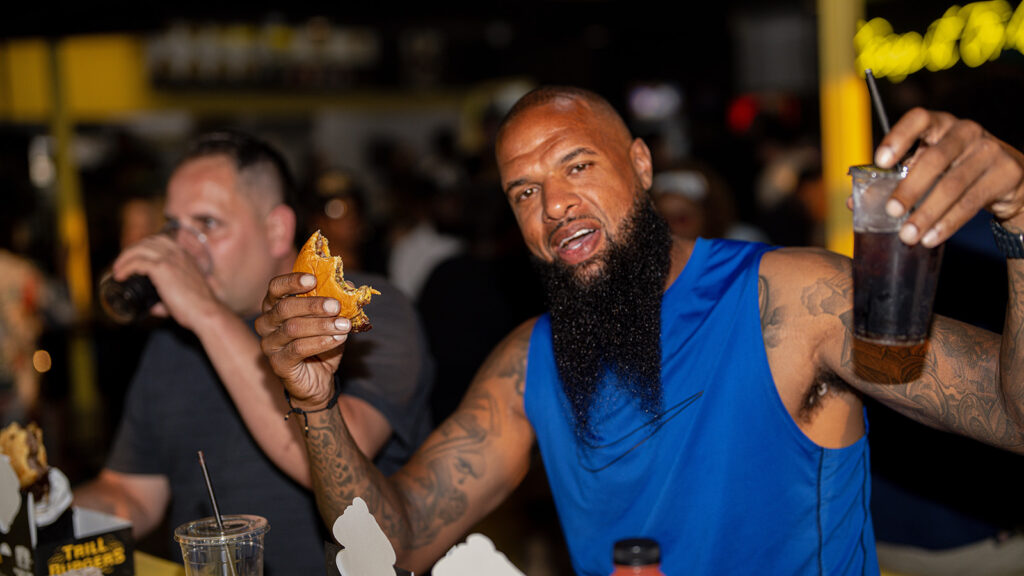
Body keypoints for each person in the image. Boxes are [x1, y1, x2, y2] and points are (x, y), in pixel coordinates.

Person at [256, 86, 1024, 575]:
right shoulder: (528, 363)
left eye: (578, 166)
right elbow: (389, 548)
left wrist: (1021, 221)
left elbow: (1012, 414)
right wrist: (315, 408)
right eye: (526, 190)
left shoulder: (789, 299)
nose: (553, 206)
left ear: (642, 164)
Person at [73, 130, 433, 575]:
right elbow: (131, 494)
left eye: (207, 224)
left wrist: (204, 313)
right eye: (175, 227)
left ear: (276, 228)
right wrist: (44, 516)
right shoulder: (173, 341)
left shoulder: (360, 311)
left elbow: (338, 464)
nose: (185, 247)